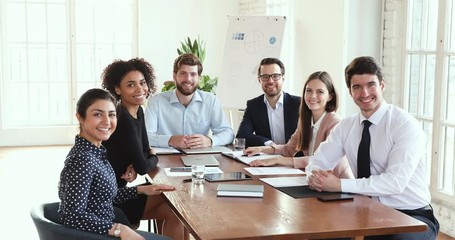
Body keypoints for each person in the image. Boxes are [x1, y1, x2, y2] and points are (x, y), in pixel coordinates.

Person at [306, 56, 439, 239]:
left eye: (371, 85)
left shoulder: (404, 125)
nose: (365, 93)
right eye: (357, 87)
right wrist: (314, 176)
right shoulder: (346, 127)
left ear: (382, 85)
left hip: (411, 215)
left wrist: (339, 184)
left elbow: (394, 183)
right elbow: (318, 160)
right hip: (365, 209)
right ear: (350, 92)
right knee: (326, 232)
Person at [58, 88, 175, 240]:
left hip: (107, 225)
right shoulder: (82, 159)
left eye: (111, 114)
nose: (107, 121)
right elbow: (71, 215)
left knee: (170, 210)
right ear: (80, 117)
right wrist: (118, 230)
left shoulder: (96, 151)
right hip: (99, 235)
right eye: (97, 114)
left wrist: (142, 189)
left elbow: (102, 197)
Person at [100, 58, 187, 239]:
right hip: (111, 200)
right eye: (131, 85)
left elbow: (145, 149)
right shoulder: (122, 118)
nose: (140, 89)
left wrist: (143, 157)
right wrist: (150, 157)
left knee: (176, 211)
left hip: (121, 191)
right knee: (176, 202)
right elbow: (143, 164)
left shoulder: (138, 111)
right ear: (117, 89)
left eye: (142, 83)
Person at [245, 71, 353, 179]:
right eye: (308, 91)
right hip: (315, 181)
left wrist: (278, 160)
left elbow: (321, 160)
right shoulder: (306, 120)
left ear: (330, 96)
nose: (313, 96)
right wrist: (262, 149)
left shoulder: (335, 123)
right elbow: (289, 149)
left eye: (320, 92)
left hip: (337, 184)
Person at [145, 53, 234, 148]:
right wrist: (170, 140)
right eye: (183, 73)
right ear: (175, 76)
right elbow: (145, 136)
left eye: (193, 74)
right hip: (167, 158)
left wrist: (210, 141)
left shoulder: (211, 100)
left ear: (199, 78)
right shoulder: (156, 102)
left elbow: (228, 133)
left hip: (200, 158)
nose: (188, 79)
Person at [236, 58, 301, 147]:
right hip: (267, 157)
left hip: (294, 158)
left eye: (275, 76)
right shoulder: (253, 105)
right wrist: (269, 143)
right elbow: (242, 135)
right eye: (265, 77)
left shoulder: (299, 104)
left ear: (283, 78)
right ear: (259, 80)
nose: (270, 81)